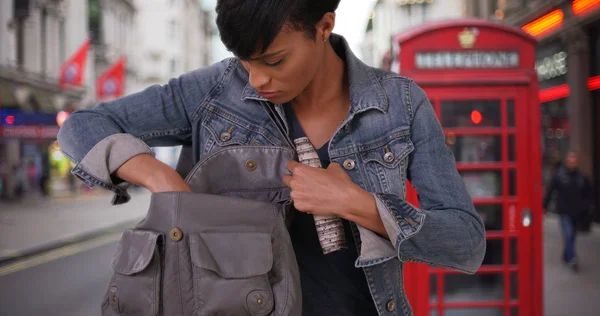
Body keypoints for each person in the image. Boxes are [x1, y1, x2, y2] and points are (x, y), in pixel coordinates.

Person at [57, 0, 485, 314]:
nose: (257, 79)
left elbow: (466, 243)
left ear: (323, 26)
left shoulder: (402, 104)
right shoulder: (214, 91)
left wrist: (357, 203)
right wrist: (164, 183)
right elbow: (82, 125)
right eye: (244, 62)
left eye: (274, 60)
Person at [543, 151, 594, 272]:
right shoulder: (559, 176)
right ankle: (573, 258)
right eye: (570, 160)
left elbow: (589, 194)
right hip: (564, 211)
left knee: (572, 236)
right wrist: (544, 206)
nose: (572, 162)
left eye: (574, 160)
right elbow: (550, 190)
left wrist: (588, 207)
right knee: (568, 233)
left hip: (578, 212)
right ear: (567, 162)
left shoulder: (582, 178)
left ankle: (566, 254)